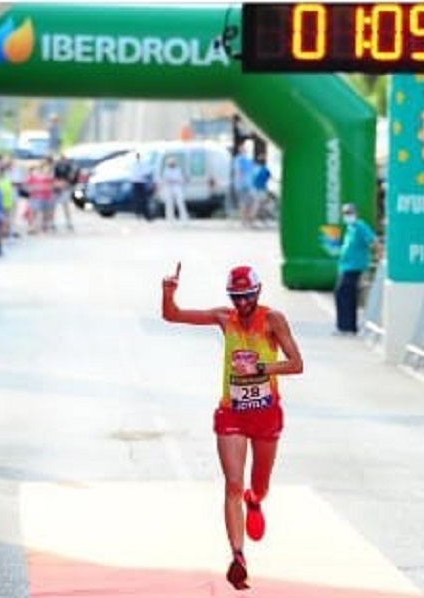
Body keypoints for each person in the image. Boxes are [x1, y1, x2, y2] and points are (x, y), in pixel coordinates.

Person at [161, 263, 304, 590]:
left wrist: (262, 368)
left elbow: (297, 364)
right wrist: (168, 292)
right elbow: (173, 315)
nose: (241, 304)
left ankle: (256, 501)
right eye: (236, 297)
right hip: (232, 413)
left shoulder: (272, 320)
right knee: (232, 485)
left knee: (259, 485)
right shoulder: (225, 318)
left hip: (266, 414)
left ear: (258, 293)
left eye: (246, 297)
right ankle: (238, 556)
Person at [334, 203, 380, 335]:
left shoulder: (360, 226)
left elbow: (373, 240)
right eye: (345, 213)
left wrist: (379, 254)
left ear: (355, 213)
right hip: (345, 267)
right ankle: (345, 326)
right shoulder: (350, 228)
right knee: (344, 295)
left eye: (350, 212)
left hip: (354, 267)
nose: (348, 215)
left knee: (344, 294)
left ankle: (347, 326)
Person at [159, 156, 188, 223]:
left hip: (177, 187)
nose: (171, 164)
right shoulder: (166, 170)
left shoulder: (179, 170)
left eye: (173, 163)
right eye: (170, 163)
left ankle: (184, 218)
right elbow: (164, 180)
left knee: (180, 203)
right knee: (169, 204)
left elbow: (183, 179)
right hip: (168, 188)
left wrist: (177, 181)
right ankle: (170, 219)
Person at [130, 152, 154, 221]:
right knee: (137, 200)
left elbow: (147, 172)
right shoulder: (133, 163)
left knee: (143, 200)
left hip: (141, 183)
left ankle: (146, 215)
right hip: (136, 182)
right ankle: (138, 214)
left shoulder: (143, 163)